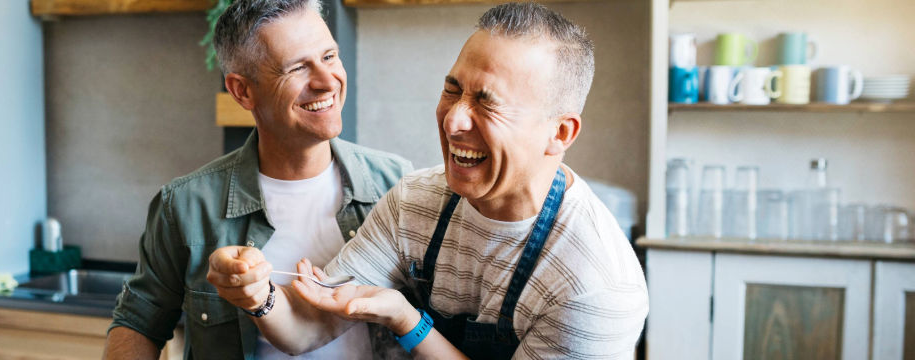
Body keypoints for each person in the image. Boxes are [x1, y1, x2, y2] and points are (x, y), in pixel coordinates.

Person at [206, 2, 649, 359]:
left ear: (560, 133)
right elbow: (309, 327)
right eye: (453, 89)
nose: (453, 120)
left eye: (486, 102)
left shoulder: (595, 286)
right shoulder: (415, 201)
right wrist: (257, 295)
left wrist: (408, 322)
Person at [101, 0, 415, 358]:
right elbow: (138, 323)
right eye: (297, 68)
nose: (327, 81)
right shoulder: (185, 206)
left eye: (329, 57)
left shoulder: (400, 185)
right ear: (242, 91)